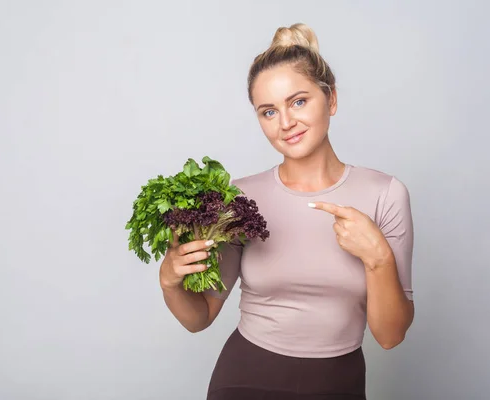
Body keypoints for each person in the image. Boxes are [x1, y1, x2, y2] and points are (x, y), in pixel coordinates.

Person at [159, 23, 415, 400]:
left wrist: (378, 257)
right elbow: (200, 318)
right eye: (268, 111)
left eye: (298, 101)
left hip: (338, 385)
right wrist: (169, 281)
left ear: (331, 100)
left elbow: (390, 336)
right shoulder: (240, 198)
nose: (286, 123)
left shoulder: (385, 194)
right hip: (244, 379)